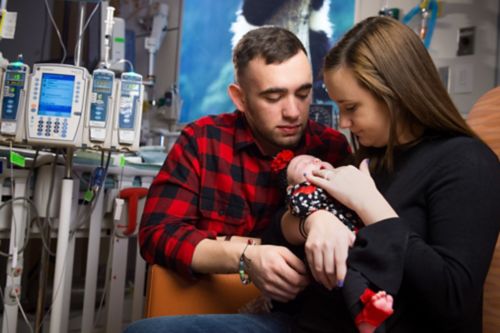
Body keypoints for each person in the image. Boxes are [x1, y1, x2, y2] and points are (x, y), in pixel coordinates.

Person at [271, 16, 500, 332]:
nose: (344, 124)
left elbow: (454, 300)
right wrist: (313, 222)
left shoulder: (467, 162)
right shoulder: (369, 158)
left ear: (395, 94)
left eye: (351, 108)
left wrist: (370, 206)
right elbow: (274, 230)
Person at [124, 26, 351, 332]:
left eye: (303, 93)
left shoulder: (332, 148)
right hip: (214, 311)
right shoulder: (202, 141)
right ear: (240, 98)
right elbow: (157, 234)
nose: (293, 112)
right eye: (274, 96)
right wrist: (246, 258)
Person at [271, 150, 394, 333]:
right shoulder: (304, 192)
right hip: (335, 252)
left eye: (317, 158)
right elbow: (298, 207)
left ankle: (372, 309)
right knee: (348, 276)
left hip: (362, 241)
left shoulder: (343, 182)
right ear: (291, 187)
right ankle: (365, 317)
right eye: (302, 165)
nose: (315, 160)